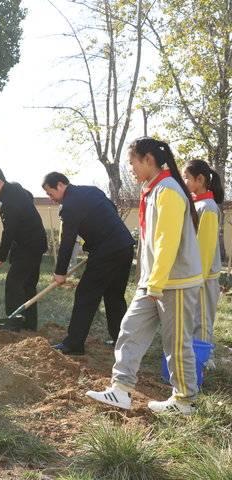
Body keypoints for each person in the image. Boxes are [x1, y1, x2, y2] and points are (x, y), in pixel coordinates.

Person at [87, 137, 202, 415]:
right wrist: (149, 281)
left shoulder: (169, 191)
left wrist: (157, 283)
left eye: (132, 163)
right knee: (129, 329)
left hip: (174, 282)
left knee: (175, 343)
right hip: (154, 282)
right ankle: (121, 390)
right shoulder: (153, 190)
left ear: (148, 160)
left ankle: (186, 401)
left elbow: (166, 242)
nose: (131, 169)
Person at [42, 172, 135, 355]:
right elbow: (111, 210)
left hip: (106, 251)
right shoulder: (91, 191)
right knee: (114, 296)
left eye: (50, 193)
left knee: (85, 294)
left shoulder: (69, 206)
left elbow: (67, 241)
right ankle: (122, 341)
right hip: (125, 246)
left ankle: (73, 344)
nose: (50, 198)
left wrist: (60, 272)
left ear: (60, 185)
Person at [0, 165, 47, 331]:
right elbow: (29, 197)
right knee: (28, 285)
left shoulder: (9, 201)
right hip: (36, 243)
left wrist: (1, 256)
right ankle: (30, 325)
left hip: (29, 246)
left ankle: (14, 324)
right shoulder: (15, 188)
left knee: (13, 283)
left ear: (0, 181)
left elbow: (9, 231)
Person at [183, 159, 224, 345]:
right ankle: (193, 354)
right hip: (195, 272)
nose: (184, 181)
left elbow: (205, 248)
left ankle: (205, 357)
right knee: (194, 316)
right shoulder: (197, 204)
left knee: (203, 317)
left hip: (204, 276)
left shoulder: (208, 207)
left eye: (187, 178)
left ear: (199, 180)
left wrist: (200, 277)